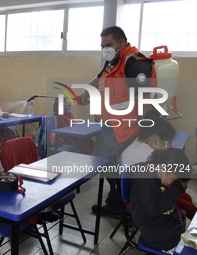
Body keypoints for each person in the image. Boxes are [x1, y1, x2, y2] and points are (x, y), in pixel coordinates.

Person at [77, 26, 156, 219]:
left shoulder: (136, 63)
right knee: (111, 168)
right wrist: (87, 92)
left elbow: (141, 98)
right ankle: (115, 205)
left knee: (120, 171)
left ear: (121, 42)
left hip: (128, 130)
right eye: (102, 46)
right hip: (111, 128)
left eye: (109, 45)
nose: (105, 49)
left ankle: (130, 211)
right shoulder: (114, 60)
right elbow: (100, 76)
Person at [121, 109, 196, 220]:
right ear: (156, 140)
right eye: (168, 142)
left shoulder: (143, 144)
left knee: (187, 197)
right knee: (190, 208)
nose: (170, 146)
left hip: (151, 190)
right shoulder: (148, 157)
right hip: (142, 198)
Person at [130, 148, 191, 253]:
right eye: (177, 180)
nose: (178, 183)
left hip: (167, 225)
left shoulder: (157, 173)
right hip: (159, 235)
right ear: (163, 168)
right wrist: (175, 189)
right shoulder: (145, 179)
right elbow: (154, 208)